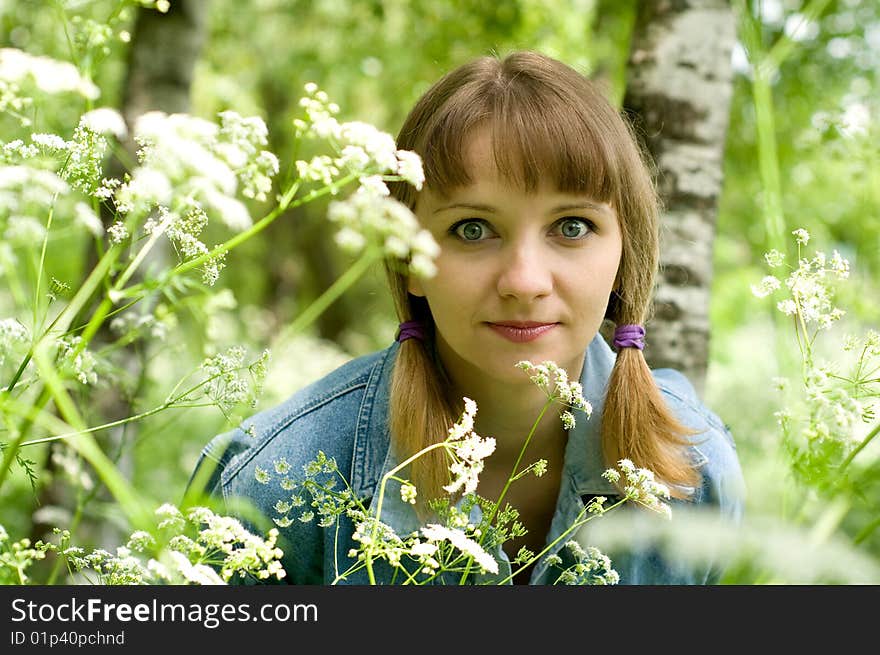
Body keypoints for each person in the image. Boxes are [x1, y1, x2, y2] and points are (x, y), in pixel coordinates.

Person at [187, 50, 745, 585]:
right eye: (472, 229)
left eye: (571, 226)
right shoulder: (272, 482)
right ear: (408, 258)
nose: (525, 281)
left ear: (625, 256)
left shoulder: (696, 470)